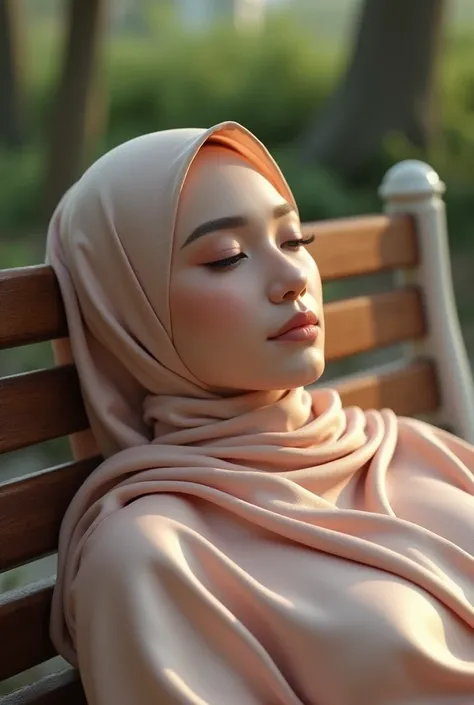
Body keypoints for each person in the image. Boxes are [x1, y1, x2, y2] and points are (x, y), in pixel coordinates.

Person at [46, 121, 474, 705]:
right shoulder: (149, 557)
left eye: (295, 240)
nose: (294, 278)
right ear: (129, 312)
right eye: (228, 257)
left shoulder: (407, 447)